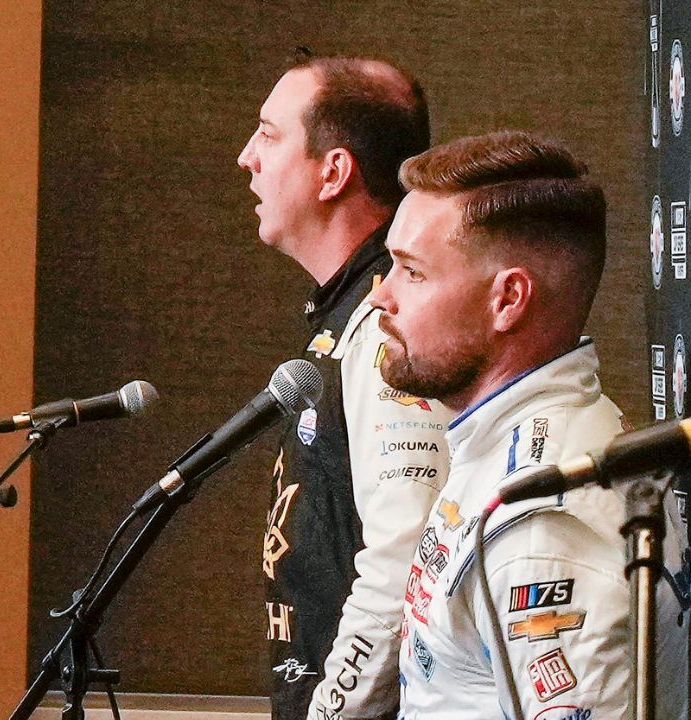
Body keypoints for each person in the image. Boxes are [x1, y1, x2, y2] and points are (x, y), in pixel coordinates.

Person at [368, 130, 687, 720]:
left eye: (412, 273)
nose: (380, 298)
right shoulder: (502, 446)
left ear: (508, 299)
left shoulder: (542, 529)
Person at [237, 52, 454, 720]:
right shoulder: (348, 312)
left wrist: (333, 710)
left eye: (270, 136)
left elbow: (404, 553)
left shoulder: (389, 320)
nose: (246, 157)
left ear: (334, 172)